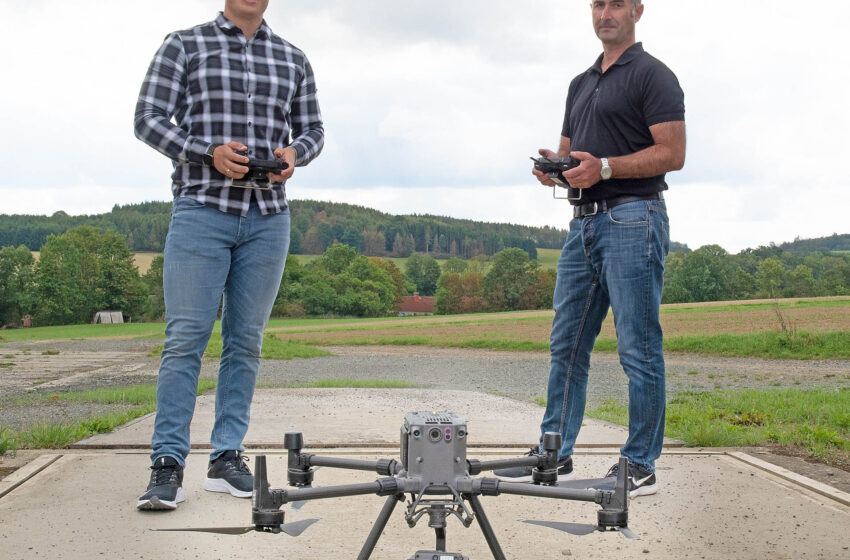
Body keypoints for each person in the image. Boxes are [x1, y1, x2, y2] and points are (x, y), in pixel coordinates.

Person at [133, 0, 323, 510]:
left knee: (245, 342)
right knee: (185, 339)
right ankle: (167, 464)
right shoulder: (184, 44)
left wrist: (293, 155)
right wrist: (206, 152)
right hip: (202, 209)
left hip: (268, 216)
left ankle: (225, 458)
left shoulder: (293, 58)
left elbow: (313, 131)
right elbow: (147, 119)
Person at [495, 0, 685, 497]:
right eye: (598, 3)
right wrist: (552, 167)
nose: (606, 12)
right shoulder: (580, 83)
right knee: (567, 345)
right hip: (582, 226)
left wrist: (605, 167)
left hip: (633, 218)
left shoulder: (654, 75)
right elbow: (568, 148)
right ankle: (553, 453)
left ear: (637, 11)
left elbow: (673, 153)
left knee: (638, 348)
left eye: (616, 3)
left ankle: (639, 464)